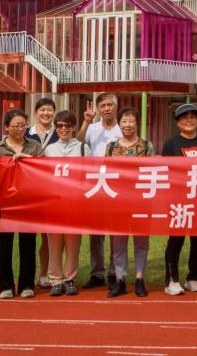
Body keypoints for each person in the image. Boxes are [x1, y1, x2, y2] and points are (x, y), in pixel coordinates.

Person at [0, 108, 44, 298]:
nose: (20, 129)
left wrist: (25, 158)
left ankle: (27, 285)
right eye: (15, 126)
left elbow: (44, 169)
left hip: (29, 203)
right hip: (6, 204)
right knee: (4, 246)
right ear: (6, 127)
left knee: (28, 245)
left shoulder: (34, 146)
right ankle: (6, 286)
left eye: (23, 125)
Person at [162, 103, 197, 296]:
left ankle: (193, 277)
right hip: (178, 200)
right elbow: (166, 172)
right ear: (178, 122)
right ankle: (171, 280)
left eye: (192, 117)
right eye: (184, 118)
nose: (189, 120)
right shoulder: (171, 144)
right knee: (176, 240)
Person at [106, 107, 154, 297]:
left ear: (137, 123)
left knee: (141, 241)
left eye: (131, 121)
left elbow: (152, 172)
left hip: (141, 201)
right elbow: (106, 171)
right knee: (118, 242)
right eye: (124, 121)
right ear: (119, 123)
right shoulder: (111, 147)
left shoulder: (146, 146)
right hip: (117, 201)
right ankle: (120, 279)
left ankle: (139, 278)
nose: (128, 125)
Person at [43, 110, 90, 297]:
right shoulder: (49, 149)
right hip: (54, 204)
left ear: (74, 127)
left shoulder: (83, 148)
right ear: (55, 128)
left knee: (73, 243)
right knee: (54, 243)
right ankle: (56, 279)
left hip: (74, 204)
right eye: (60, 126)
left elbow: (90, 175)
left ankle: (70, 278)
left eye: (68, 126)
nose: (64, 129)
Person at [78, 93, 121, 290]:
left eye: (109, 105)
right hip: (95, 185)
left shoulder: (122, 128)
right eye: (102, 105)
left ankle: (114, 272)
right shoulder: (92, 128)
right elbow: (78, 143)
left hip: (116, 185)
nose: (106, 108)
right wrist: (86, 122)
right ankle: (97, 273)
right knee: (95, 233)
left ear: (115, 107)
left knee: (115, 233)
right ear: (98, 108)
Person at [26, 97, 59, 288]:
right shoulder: (26, 133)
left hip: (51, 192)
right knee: (29, 237)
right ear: (36, 112)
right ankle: (28, 275)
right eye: (42, 110)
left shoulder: (59, 133)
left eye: (49, 110)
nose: (46, 113)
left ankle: (44, 274)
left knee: (48, 238)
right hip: (29, 192)